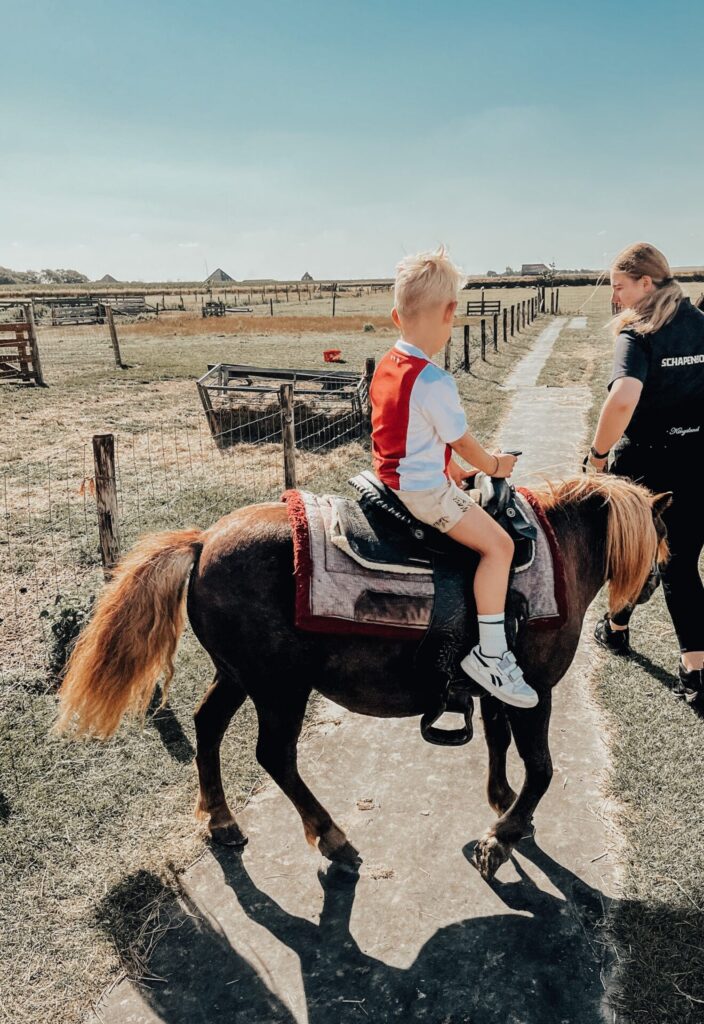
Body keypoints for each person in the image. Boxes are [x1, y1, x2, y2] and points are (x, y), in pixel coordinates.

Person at [369, 246, 538, 708]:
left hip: (394, 477)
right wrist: (493, 466)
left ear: (395, 316)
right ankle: (490, 653)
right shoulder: (434, 380)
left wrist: (456, 471)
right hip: (424, 492)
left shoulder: (388, 364)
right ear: (450, 313)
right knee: (499, 546)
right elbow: (463, 442)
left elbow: (416, 435)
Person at [586, 242, 704, 698]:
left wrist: (597, 457)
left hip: (646, 470)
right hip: (698, 462)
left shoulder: (636, 334)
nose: (616, 297)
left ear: (645, 284)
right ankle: (693, 671)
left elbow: (622, 399)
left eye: (619, 287)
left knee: (633, 553)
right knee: (681, 563)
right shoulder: (699, 324)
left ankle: (619, 630)